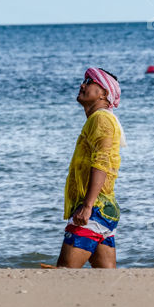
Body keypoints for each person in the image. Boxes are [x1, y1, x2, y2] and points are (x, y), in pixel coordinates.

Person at [56, 67, 124, 269]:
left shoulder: (101, 119)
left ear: (103, 93)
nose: (82, 85)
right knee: (105, 280)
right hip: (105, 211)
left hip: (95, 210)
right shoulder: (98, 119)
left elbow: (101, 163)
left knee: (64, 273)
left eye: (89, 81)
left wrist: (87, 206)